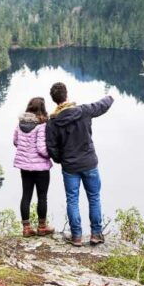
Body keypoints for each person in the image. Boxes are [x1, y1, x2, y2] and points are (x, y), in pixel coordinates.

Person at [45, 82, 114, 247]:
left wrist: (61, 159)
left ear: (54, 100)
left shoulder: (53, 122)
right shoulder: (82, 111)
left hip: (70, 167)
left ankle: (76, 236)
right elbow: (101, 106)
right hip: (89, 163)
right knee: (94, 197)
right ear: (66, 95)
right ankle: (96, 234)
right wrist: (111, 96)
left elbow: (51, 147)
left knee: (72, 200)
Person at [13, 97, 55, 238]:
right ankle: (42, 227)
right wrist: (52, 154)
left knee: (26, 195)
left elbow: (15, 142)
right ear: (41, 109)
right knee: (42, 197)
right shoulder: (41, 125)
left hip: (25, 167)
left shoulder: (20, 124)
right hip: (41, 168)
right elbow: (42, 149)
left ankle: (26, 228)